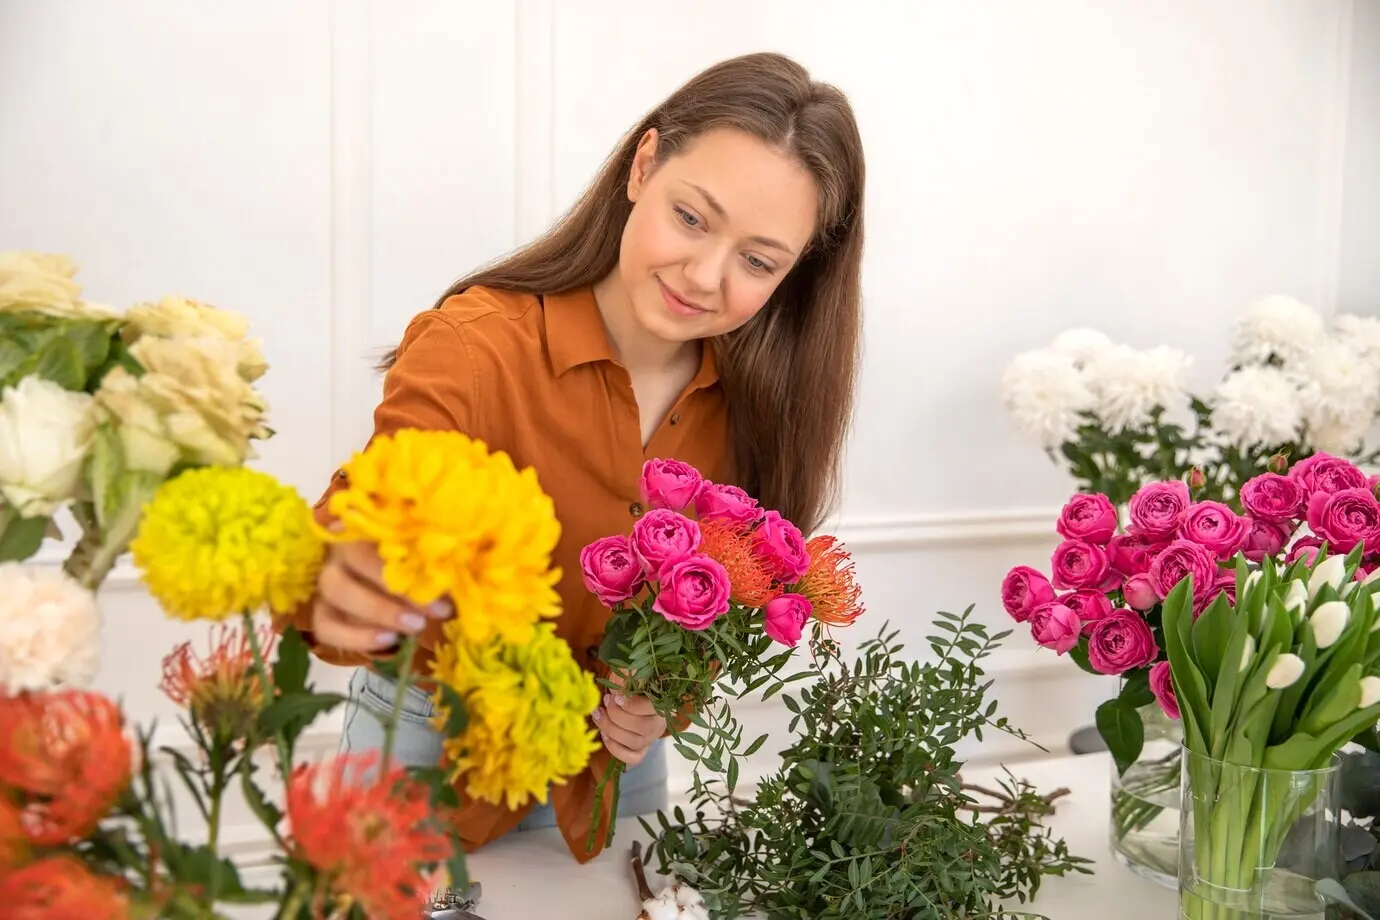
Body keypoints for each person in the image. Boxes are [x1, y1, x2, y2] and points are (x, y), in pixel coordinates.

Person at [276, 50, 866, 864]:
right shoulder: (476, 348)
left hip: (620, 771)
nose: (703, 275)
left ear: (797, 275)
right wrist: (341, 582)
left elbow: (722, 609)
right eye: (691, 218)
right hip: (427, 748)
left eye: (758, 261)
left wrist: (666, 701)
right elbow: (352, 541)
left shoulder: (759, 408)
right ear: (644, 164)